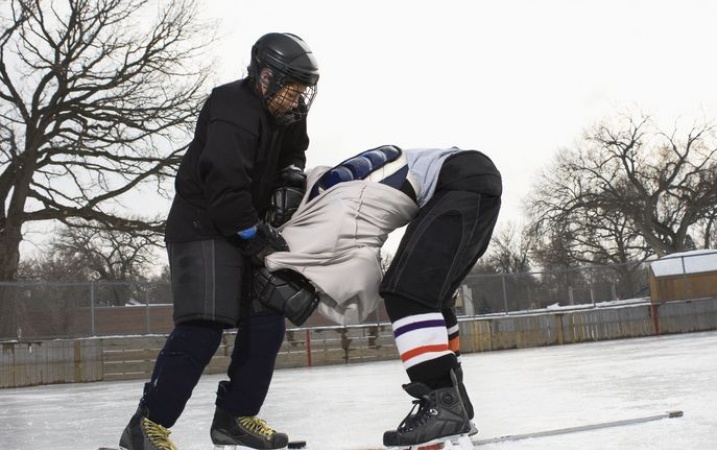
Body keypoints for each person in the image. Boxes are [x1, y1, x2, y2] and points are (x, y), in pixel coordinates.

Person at [118, 32, 320, 450]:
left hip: (249, 224)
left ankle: (235, 418)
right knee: (205, 324)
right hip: (204, 226)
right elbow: (225, 188)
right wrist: (255, 238)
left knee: (267, 321)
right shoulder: (232, 108)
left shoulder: (288, 113)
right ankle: (148, 425)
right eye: (292, 88)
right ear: (266, 78)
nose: (298, 98)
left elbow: (294, 155)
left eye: (304, 90)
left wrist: (291, 177)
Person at [255, 145, 502, 449]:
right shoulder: (323, 185)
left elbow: (364, 292)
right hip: (469, 176)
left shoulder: (329, 211)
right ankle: (456, 402)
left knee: (405, 294)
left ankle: (443, 404)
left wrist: (311, 297)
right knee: (434, 299)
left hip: (459, 183)